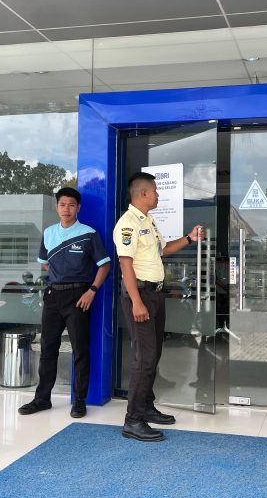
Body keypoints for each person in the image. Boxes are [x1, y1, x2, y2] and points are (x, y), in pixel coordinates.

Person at [113, 171, 202, 442]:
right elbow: (125, 265)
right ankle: (133, 420)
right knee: (145, 358)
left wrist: (189, 238)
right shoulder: (127, 224)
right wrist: (137, 302)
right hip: (140, 295)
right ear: (143, 193)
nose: (158, 195)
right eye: (155, 191)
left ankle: (146, 407)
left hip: (155, 295)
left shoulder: (148, 222)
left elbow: (163, 250)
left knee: (154, 354)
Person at [19, 187, 110, 419]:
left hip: (79, 297)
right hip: (53, 296)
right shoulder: (49, 233)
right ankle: (42, 399)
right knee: (48, 349)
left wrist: (91, 291)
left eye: (71, 204)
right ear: (57, 207)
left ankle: (79, 402)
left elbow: (105, 265)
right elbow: (45, 262)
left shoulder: (88, 234)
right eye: (62, 204)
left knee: (80, 350)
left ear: (78, 207)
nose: (66, 209)